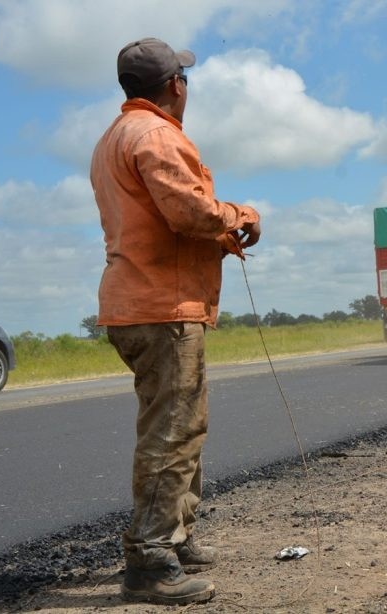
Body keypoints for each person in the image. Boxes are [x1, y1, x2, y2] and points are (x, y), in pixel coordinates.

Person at [91, 38, 261, 606]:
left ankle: (175, 533)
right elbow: (187, 211)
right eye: (184, 79)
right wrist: (240, 217)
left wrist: (217, 237)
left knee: (179, 426)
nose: (186, 87)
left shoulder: (113, 138)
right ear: (174, 86)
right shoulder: (157, 135)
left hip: (139, 303)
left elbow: (160, 218)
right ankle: (151, 561)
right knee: (173, 433)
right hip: (162, 308)